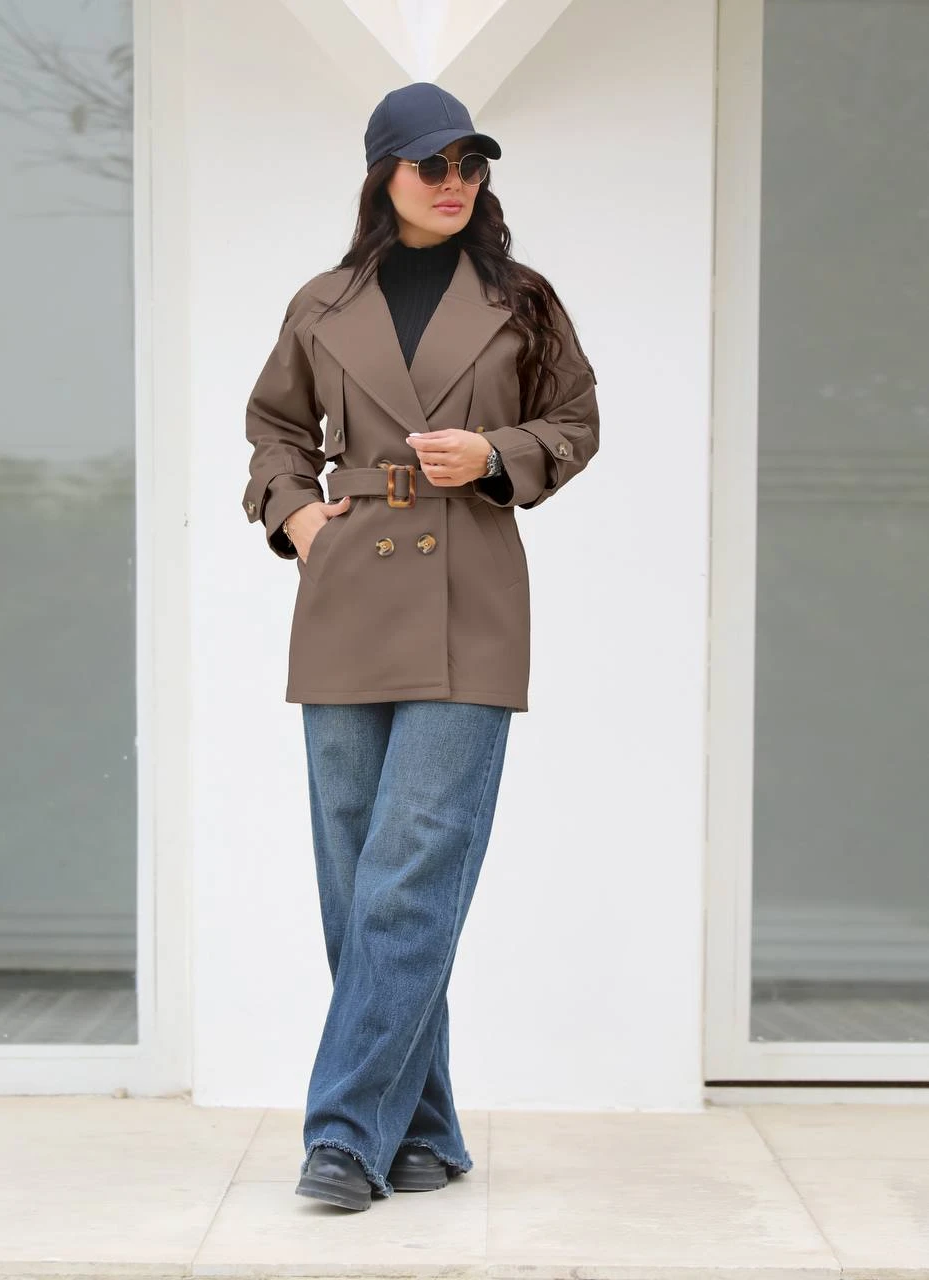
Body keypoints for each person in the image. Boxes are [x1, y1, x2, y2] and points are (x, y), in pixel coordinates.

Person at [242, 82, 601, 1211]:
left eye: (470, 164)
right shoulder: (321, 302)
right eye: (430, 164)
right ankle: (424, 1131)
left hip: (469, 597)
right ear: (383, 175)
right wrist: (296, 516)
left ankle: (345, 1134)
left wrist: (494, 456)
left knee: (408, 874)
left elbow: (576, 422)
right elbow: (275, 430)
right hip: (347, 593)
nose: (454, 183)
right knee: (359, 883)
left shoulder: (523, 300)